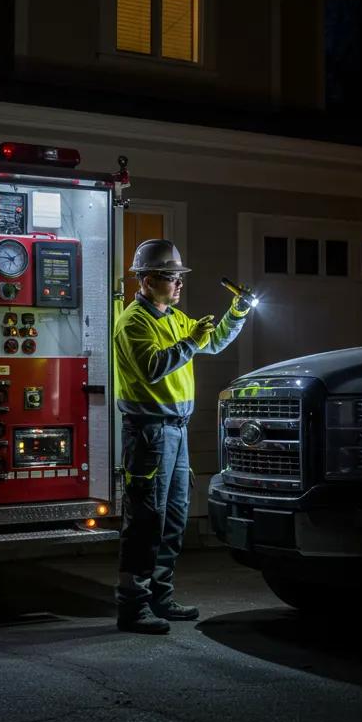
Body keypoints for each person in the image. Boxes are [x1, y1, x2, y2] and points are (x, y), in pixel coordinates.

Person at [113, 239, 251, 634]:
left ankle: (160, 596)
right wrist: (190, 342)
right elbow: (153, 367)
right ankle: (133, 606)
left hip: (174, 431)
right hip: (148, 433)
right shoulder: (133, 322)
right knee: (146, 520)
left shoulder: (173, 317)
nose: (179, 284)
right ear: (148, 280)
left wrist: (238, 311)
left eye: (179, 278)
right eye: (172, 277)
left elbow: (215, 341)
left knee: (173, 516)